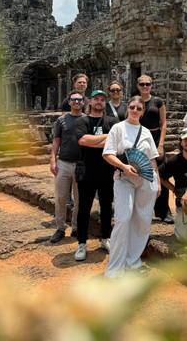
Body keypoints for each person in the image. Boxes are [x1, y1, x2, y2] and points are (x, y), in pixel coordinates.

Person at [103, 95, 160, 278]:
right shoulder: (118, 128)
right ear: (128, 108)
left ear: (143, 112)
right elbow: (107, 154)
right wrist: (123, 167)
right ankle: (115, 269)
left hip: (145, 180)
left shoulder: (146, 132)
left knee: (142, 221)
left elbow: (151, 159)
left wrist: (156, 180)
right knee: (123, 218)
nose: (135, 111)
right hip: (123, 179)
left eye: (139, 109)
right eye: (133, 107)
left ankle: (132, 261)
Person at [74, 90, 117, 261]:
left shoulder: (112, 121)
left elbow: (115, 142)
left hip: (106, 170)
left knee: (107, 208)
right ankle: (81, 243)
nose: (99, 102)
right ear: (89, 101)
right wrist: (107, 138)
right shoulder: (81, 120)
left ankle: (105, 238)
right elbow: (82, 140)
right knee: (84, 208)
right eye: (96, 99)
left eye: (102, 99)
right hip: (86, 171)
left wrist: (95, 140)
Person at [49, 90, 85, 243]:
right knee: (61, 197)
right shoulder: (61, 120)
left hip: (81, 165)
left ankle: (76, 227)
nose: (77, 102)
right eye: (74, 100)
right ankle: (60, 227)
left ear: (83, 102)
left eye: (79, 100)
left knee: (79, 199)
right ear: (69, 102)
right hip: (63, 163)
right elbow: (56, 141)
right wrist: (52, 159)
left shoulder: (87, 120)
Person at [137, 74, 173, 224]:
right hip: (139, 140)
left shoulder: (158, 102)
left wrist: (161, 144)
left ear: (151, 85)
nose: (145, 87)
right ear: (138, 85)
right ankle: (142, 210)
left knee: (161, 174)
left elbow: (163, 123)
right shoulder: (135, 102)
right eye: (142, 84)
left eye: (148, 84)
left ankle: (164, 211)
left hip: (155, 137)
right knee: (140, 174)